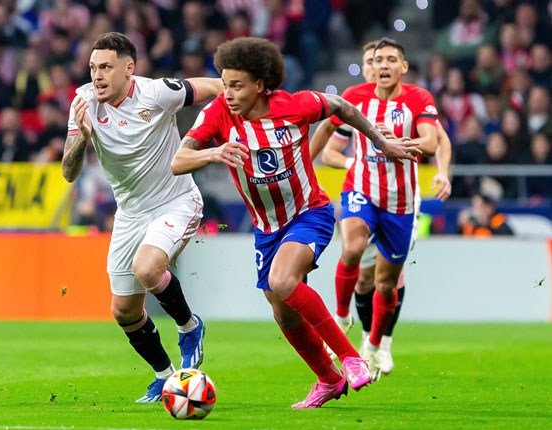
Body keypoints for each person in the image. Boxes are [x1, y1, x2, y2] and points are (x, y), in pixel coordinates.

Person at [171, 37, 419, 409]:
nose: (228, 93)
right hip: (266, 229)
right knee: (282, 310)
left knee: (283, 281)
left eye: (237, 85)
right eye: (224, 83)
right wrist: (214, 152)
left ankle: (350, 358)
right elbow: (178, 161)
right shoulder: (219, 112)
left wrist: (381, 143)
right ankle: (329, 379)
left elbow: (342, 106)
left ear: (260, 84)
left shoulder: (295, 105)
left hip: (309, 213)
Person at [62, 32, 223, 403]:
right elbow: (69, 173)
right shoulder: (83, 102)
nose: (97, 76)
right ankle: (164, 377)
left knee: (147, 269)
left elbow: (218, 87)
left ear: (128, 69)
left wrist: (227, 121)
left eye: (106, 67)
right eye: (92, 67)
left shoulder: (157, 93)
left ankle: (189, 327)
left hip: (175, 201)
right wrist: (82, 138)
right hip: (130, 213)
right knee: (123, 311)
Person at [311, 40, 452, 375]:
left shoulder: (418, 98)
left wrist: (405, 149)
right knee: (352, 249)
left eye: (391, 59)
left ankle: (375, 345)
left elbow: (432, 141)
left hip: (401, 202)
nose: (383, 65)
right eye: (377, 60)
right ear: (370, 66)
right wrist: (304, 166)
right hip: (361, 189)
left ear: (404, 66)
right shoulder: (355, 96)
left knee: (386, 283)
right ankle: (341, 318)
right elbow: (327, 129)